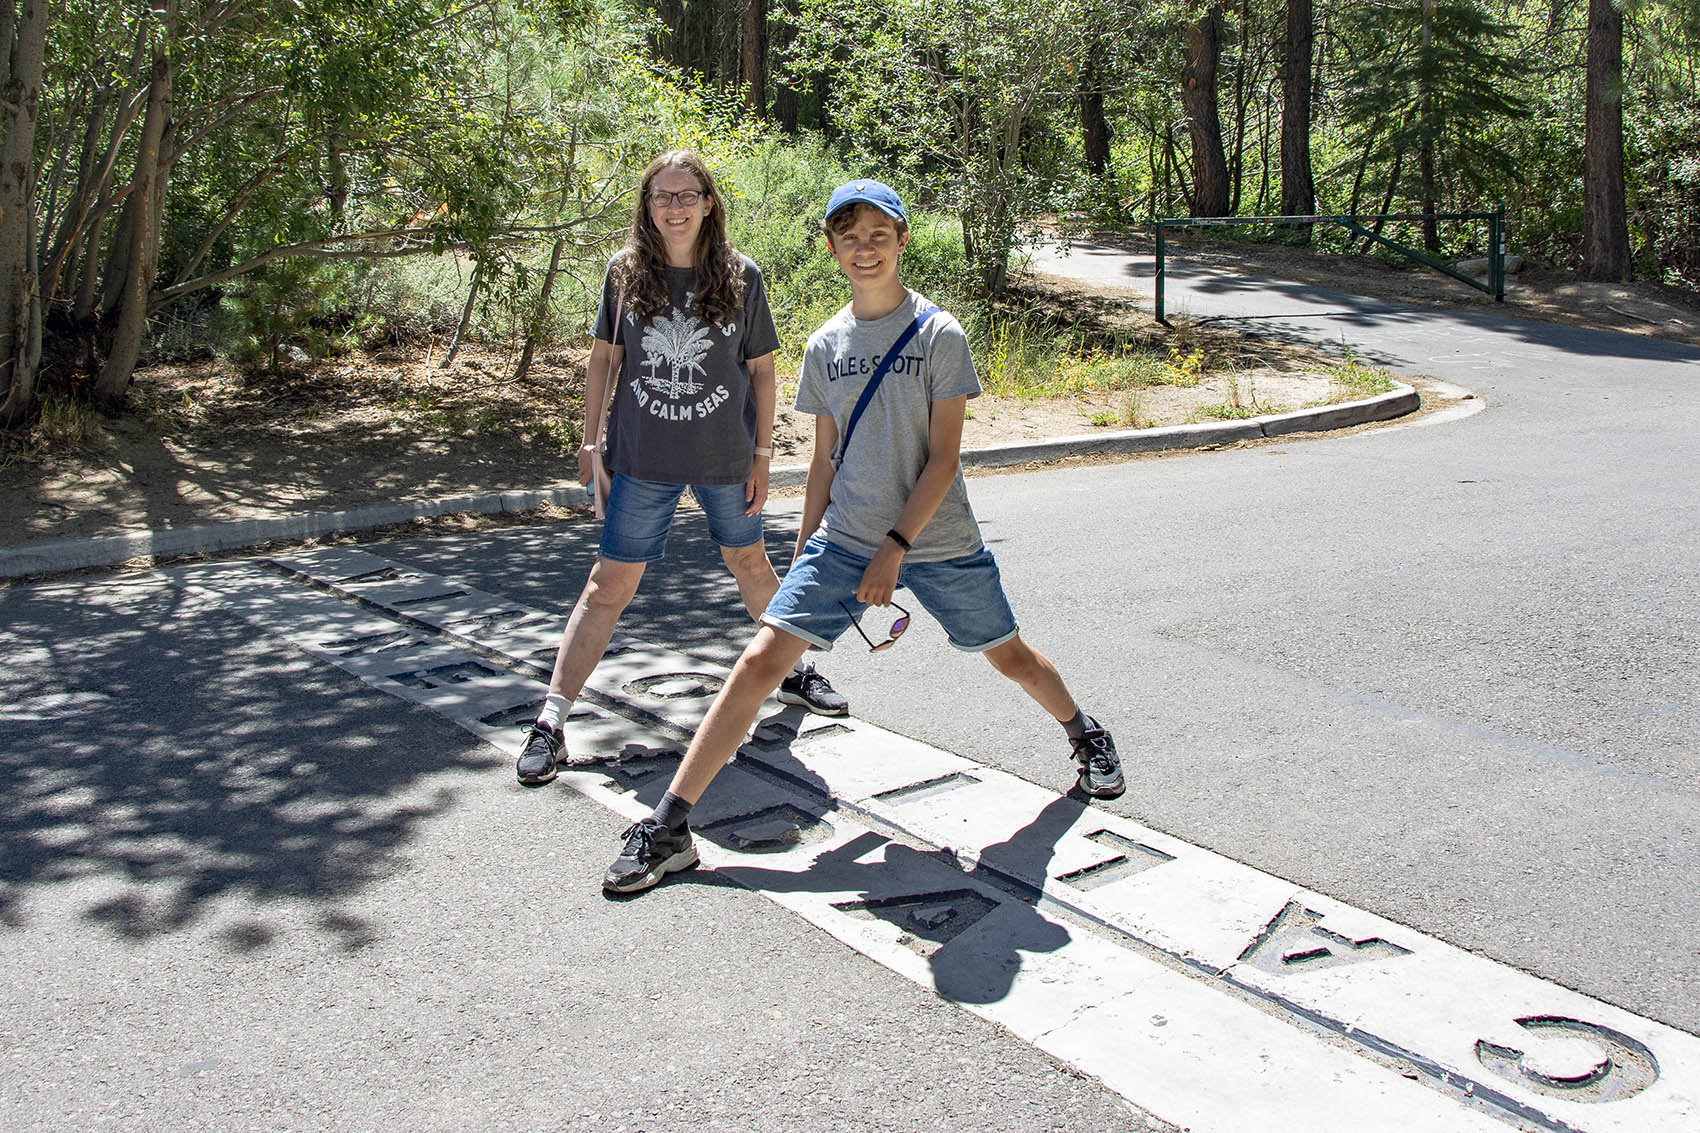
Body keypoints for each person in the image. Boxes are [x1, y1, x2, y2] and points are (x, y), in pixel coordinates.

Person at [602, 178, 1124, 893]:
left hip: (934, 538)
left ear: (903, 241)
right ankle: (669, 826)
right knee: (760, 662)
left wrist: (896, 548)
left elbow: (944, 458)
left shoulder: (939, 333)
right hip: (843, 537)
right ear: (832, 249)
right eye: (850, 238)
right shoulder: (825, 344)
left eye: (880, 235)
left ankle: (1084, 730)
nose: (865, 249)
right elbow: (824, 459)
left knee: (1010, 657)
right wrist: (804, 550)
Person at [516, 151, 846, 786]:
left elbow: (762, 370)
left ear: (708, 201)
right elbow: (603, 364)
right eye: (662, 197)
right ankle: (552, 720)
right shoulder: (625, 272)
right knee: (608, 586)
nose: (674, 207)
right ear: (647, 205)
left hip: (726, 457)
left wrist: (762, 454)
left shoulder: (740, 275)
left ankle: (795, 673)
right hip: (642, 458)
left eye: (686, 195)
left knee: (749, 564)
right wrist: (591, 445)